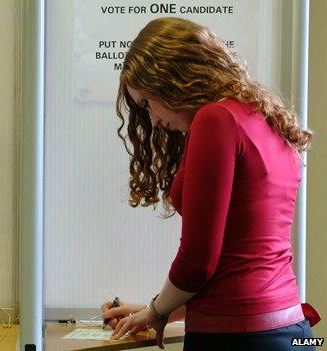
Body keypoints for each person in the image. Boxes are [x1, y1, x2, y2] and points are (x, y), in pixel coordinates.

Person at [100, 17, 318, 350]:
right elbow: (241, 260)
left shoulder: (215, 119)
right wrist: (157, 311)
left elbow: (199, 261)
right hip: (290, 330)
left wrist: (158, 308)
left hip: (237, 338)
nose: (153, 120)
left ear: (169, 79)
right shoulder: (263, 117)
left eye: (146, 103)